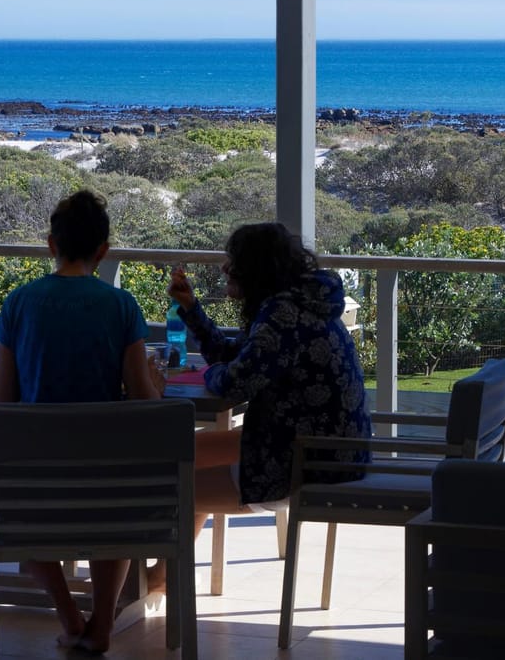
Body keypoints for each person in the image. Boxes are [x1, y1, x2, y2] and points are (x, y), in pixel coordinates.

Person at [147, 221, 372, 590]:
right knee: (180, 454)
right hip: (323, 448)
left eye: (233, 261)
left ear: (254, 269)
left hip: (303, 462)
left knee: (163, 484)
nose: (225, 268)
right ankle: (160, 577)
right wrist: (191, 308)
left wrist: (212, 372)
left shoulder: (284, 315)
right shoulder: (296, 304)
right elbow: (234, 355)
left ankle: (142, 582)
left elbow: (235, 382)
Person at [0, 189, 161, 654]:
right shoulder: (121, 306)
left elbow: (0, 398)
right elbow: (143, 399)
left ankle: (70, 617)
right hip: (105, 486)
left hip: (33, 489)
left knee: (16, 507)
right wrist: (156, 383)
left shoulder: (19, 303)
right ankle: (102, 623)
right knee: (120, 499)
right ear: (102, 251)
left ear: (51, 244)